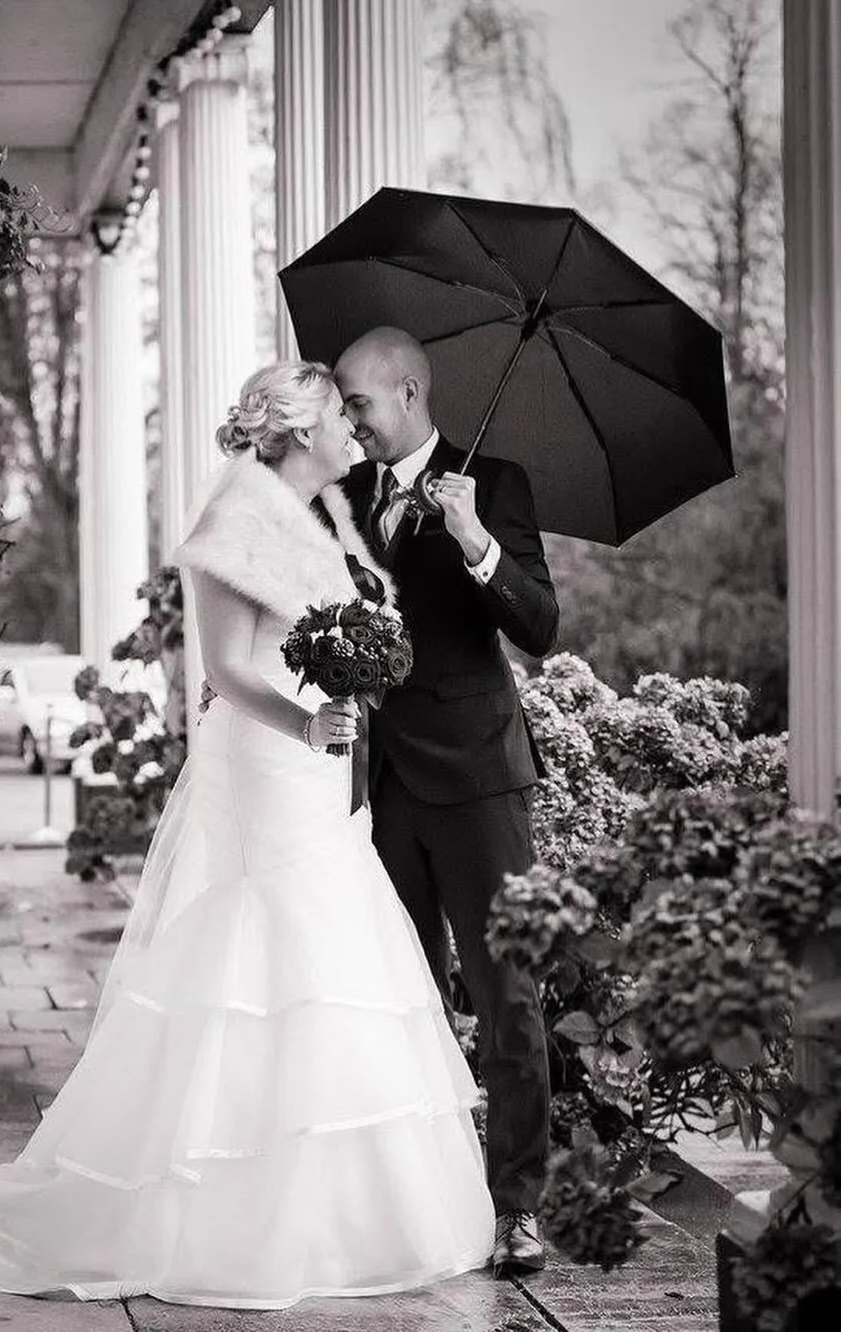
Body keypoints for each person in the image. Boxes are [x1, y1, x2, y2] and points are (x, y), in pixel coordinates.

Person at [0, 361, 495, 1307]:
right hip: (268, 760)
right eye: (341, 416)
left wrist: (365, 660)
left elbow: (335, 628)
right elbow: (225, 665)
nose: (352, 432)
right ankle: (232, 1199)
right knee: (265, 956)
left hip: (323, 766)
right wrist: (303, 720)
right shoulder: (232, 524)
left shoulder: (326, 519)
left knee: (330, 961)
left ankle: (340, 1208)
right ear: (298, 429)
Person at [334, 327, 559, 1276]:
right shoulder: (341, 499)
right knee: (401, 1004)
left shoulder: (495, 485)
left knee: (508, 1003)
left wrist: (475, 541)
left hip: (479, 783)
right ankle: (418, 1208)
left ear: (410, 391)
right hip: (379, 787)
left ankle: (518, 1210)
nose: (350, 425)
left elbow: (540, 627)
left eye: (359, 405)